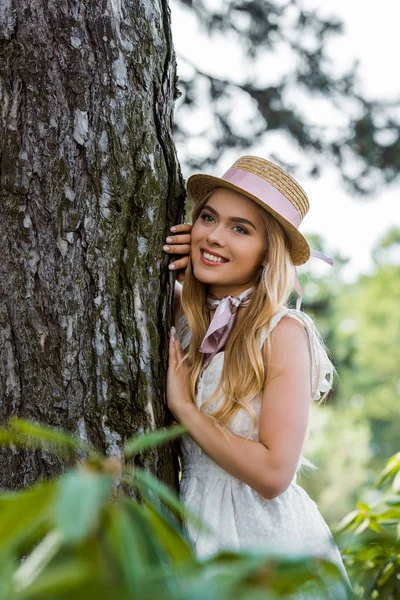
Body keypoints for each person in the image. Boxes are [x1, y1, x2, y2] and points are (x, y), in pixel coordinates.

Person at [163, 156, 352, 597]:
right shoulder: (189, 319)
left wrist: (186, 409)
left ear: (269, 253)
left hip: (263, 541)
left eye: (240, 228)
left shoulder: (282, 333)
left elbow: (274, 473)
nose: (214, 235)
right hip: (191, 518)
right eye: (208, 218)